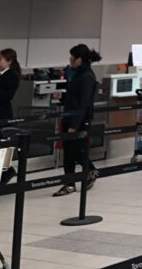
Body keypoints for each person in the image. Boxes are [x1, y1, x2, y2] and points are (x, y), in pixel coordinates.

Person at [53, 44, 101, 197]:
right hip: (71, 117)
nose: (70, 59)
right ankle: (71, 182)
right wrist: (63, 97)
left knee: (75, 152)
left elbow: (83, 103)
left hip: (79, 120)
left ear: (79, 59)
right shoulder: (78, 74)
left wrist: (74, 125)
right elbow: (74, 97)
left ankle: (80, 177)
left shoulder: (86, 76)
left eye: (72, 57)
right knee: (70, 153)